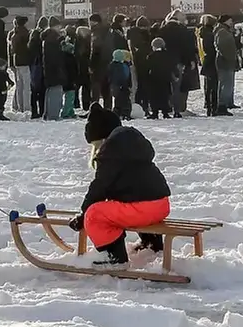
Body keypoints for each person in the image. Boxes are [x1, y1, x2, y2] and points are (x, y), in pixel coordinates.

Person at [71, 103, 171, 267]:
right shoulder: (132, 146)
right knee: (126, 202)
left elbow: (99, 187)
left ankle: (114, 255)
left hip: (143, 210)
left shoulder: (111, 152)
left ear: (102, 139)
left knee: (95, 214)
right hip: (161, 206)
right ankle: (152, 243)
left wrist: (84, 214)